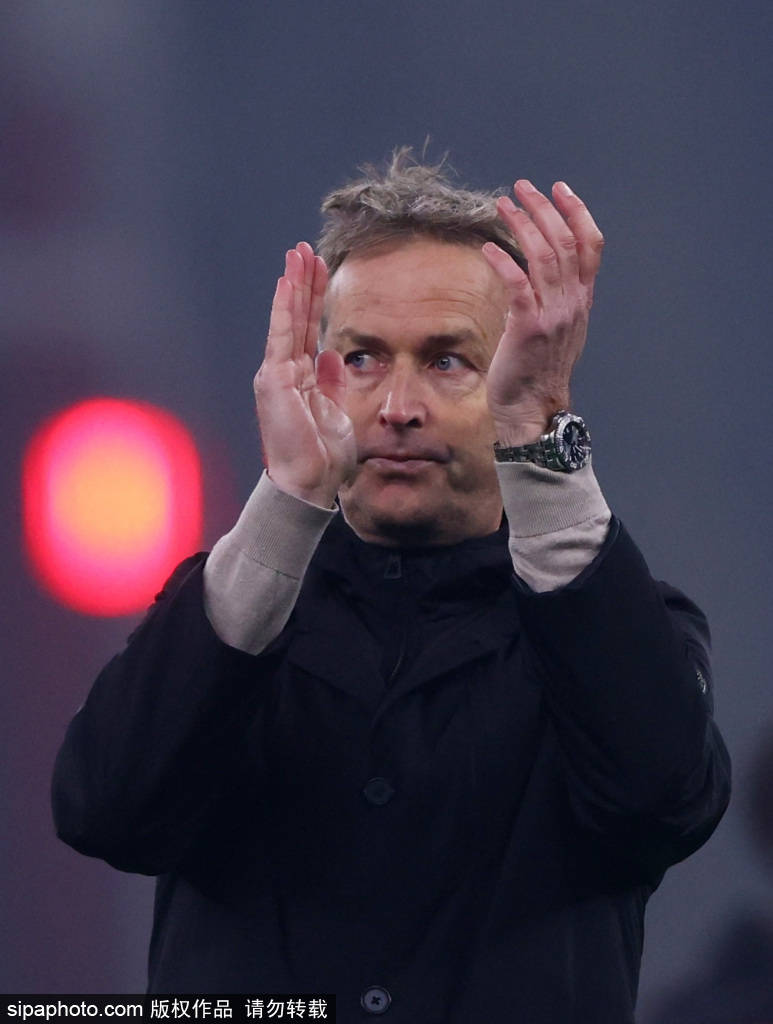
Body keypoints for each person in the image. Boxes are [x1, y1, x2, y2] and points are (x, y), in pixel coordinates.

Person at [52, 150, 731, 1023]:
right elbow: (105, 810)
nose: (397, 406)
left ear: (518, 373)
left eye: (447, 362)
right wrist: (285, 497)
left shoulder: (621, 621)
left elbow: (663, 803)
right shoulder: (231, 617)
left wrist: (540, 432)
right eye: (363, 358)